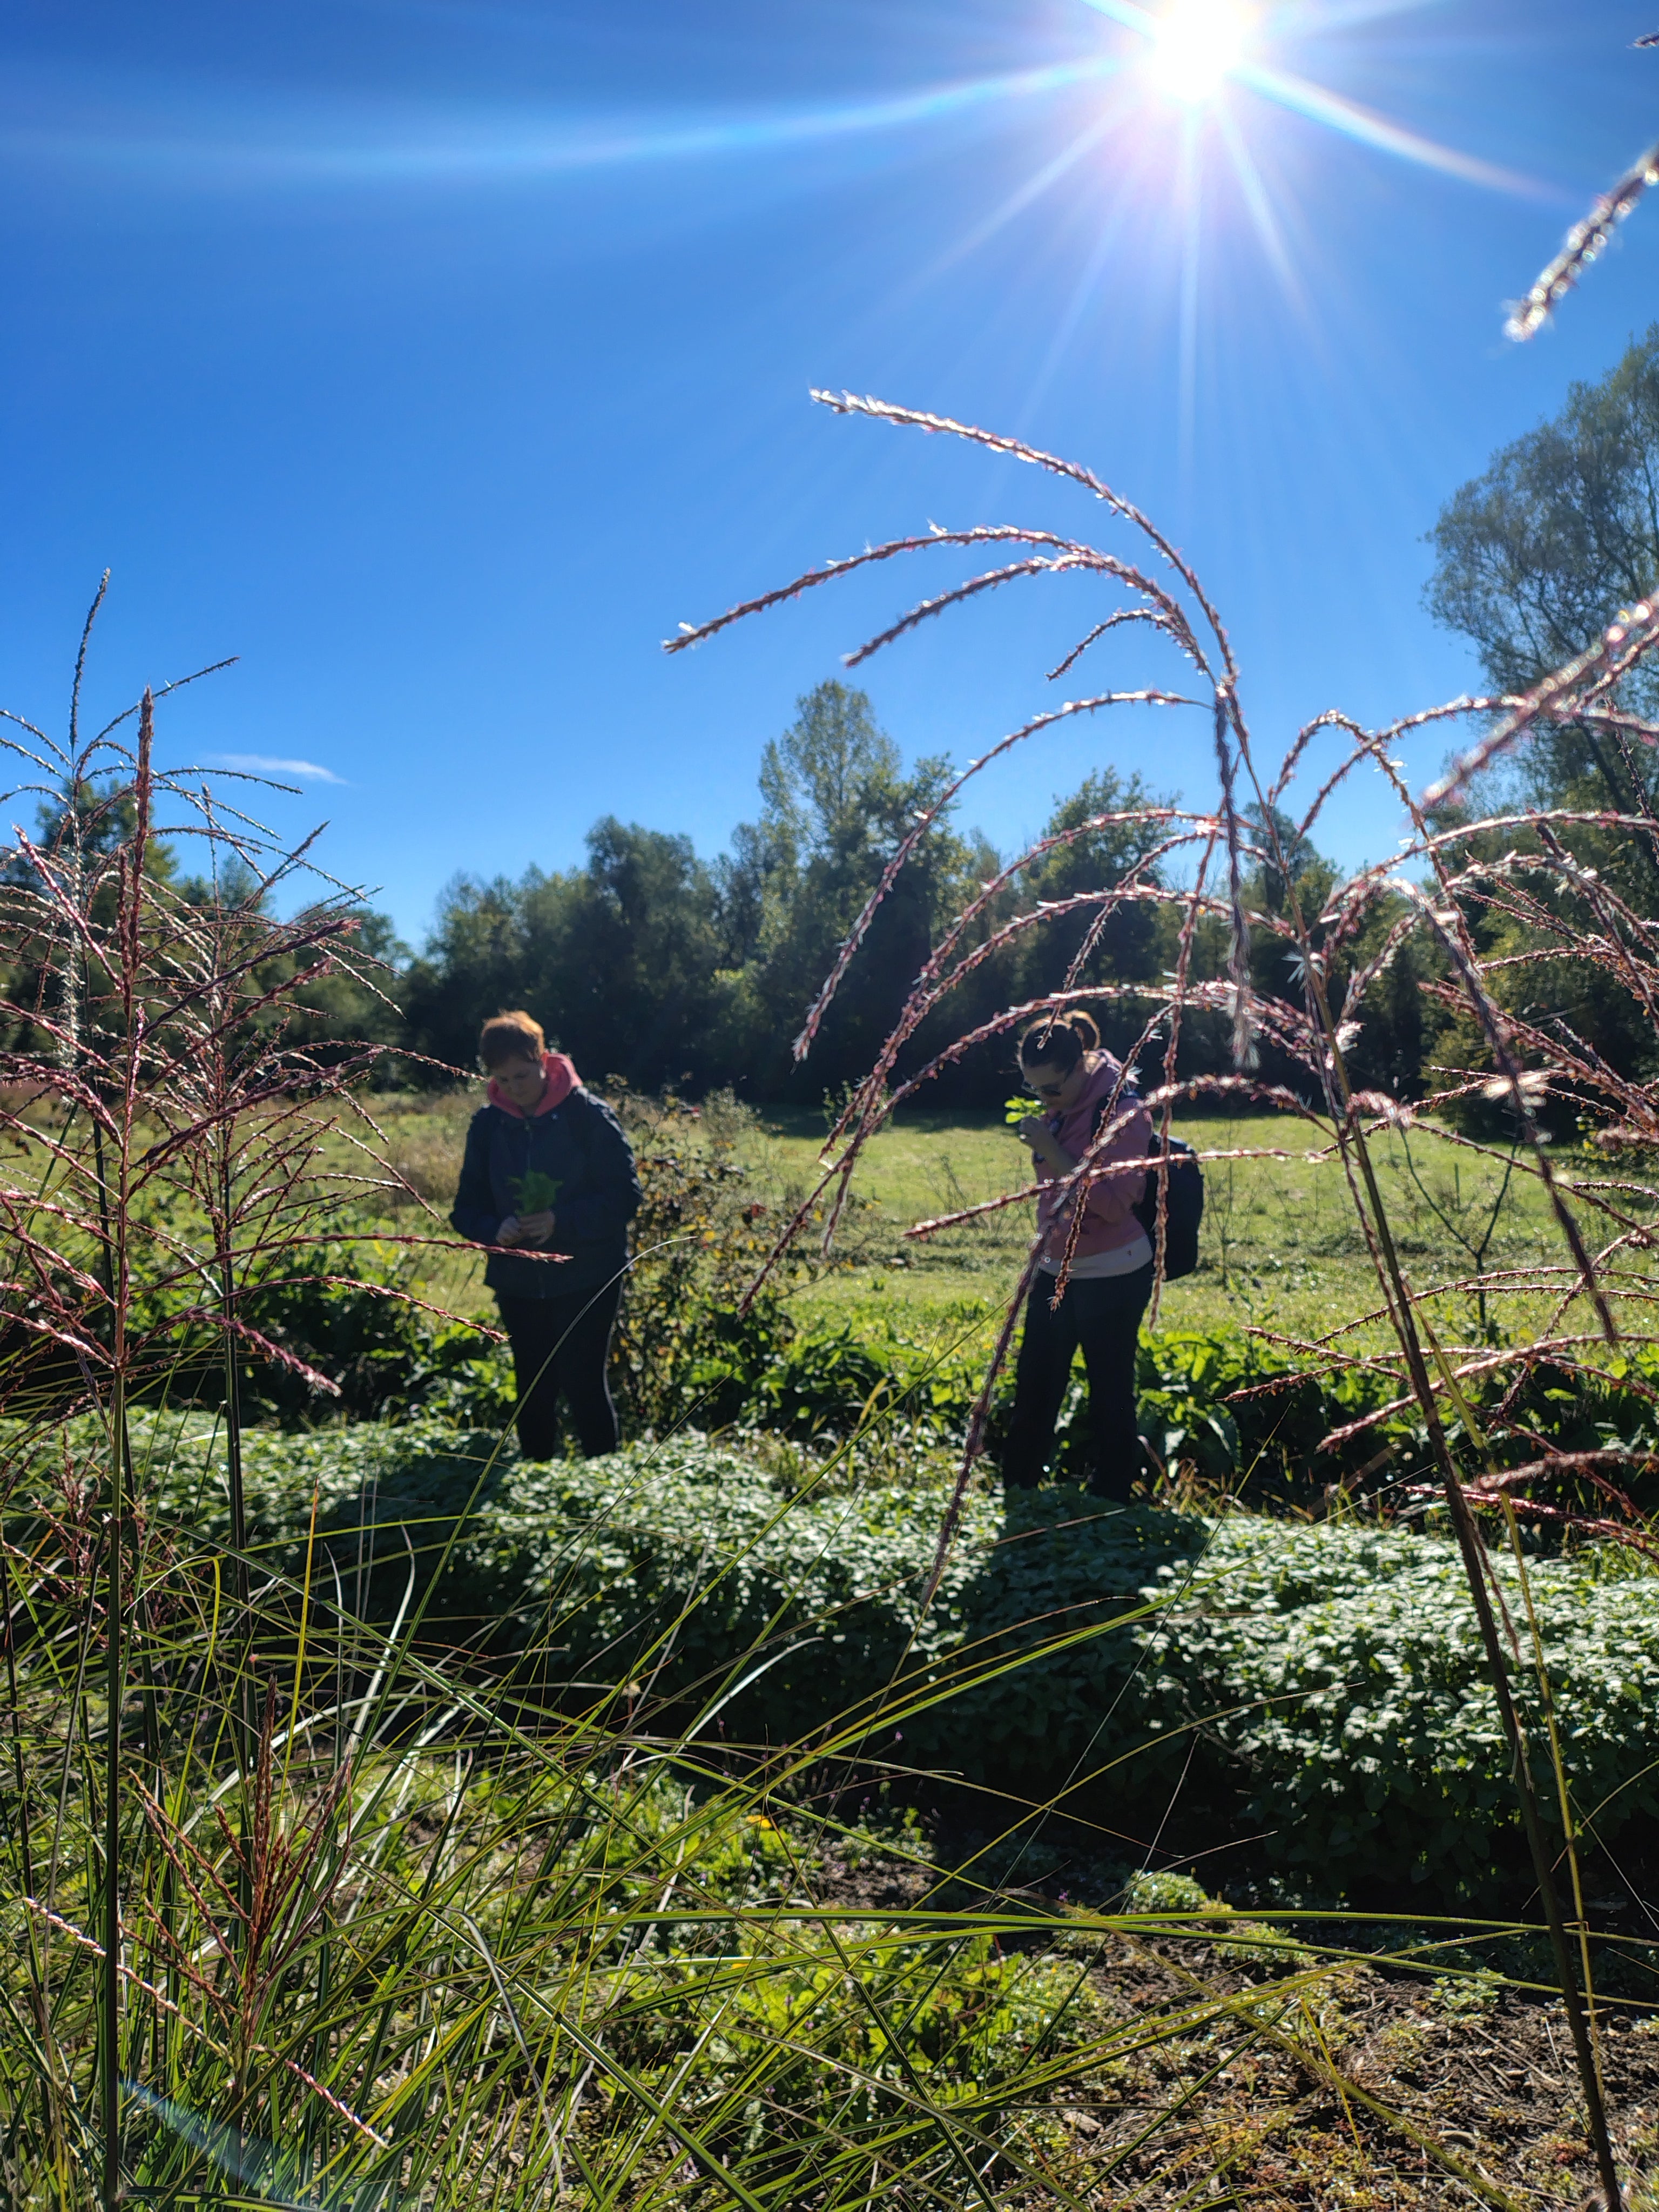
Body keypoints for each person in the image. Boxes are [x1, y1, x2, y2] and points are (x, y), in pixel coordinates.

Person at [450, 1010, 641, 1461]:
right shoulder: (487, 1125)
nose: (514, 1087)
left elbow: (624, 1197)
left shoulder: (588, 1116)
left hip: (588, 1275)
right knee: (532, 1384)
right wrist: (494, 1229)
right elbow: (465, 1210)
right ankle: (536, 1477)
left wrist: (561, 1220)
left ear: (543, 1059)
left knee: (583, 1382)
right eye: (502, 1078)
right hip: (518, 1280)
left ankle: (602, 1482)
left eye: (522, 1074)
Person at [1003, 1009, 1152, 1501]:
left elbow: (1111, 1204)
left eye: (1049, 1089)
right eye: (1034, 1090)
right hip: (1056, 1266)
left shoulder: (1124, 1111)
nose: (1043, 1100)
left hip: (1113, 1270)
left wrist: (1050, 1145)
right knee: (1035, 1385)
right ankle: (1017, 1493)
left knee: (1109, 1391)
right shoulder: (1062, 1109)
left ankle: (1111, 1502)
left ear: (1081, 1066)